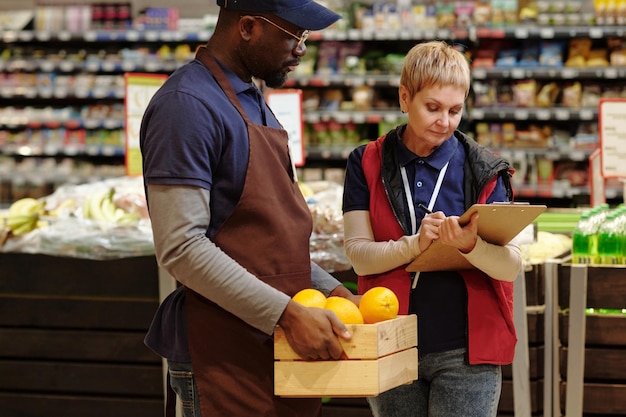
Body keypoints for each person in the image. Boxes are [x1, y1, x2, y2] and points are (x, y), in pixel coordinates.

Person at [139, 1, 359, 416]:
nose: (301, 49)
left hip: (275, 347)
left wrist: (336, 292)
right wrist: (287, 315)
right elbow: (181, 248)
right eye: (294, 35)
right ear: (247, 28)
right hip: (221, 354)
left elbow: (264, 246)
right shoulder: (186, 106)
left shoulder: (252, 99)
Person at [342, 40, 522, 417]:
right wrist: (414, 244)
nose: (445, 121)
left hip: (467, 351)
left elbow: (511, 266)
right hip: (390, 341)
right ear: (405, 98)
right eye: (433, 108)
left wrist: (472, 247)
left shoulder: (485, 170)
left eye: (455, 110)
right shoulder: (367, 162)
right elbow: (359, 257)